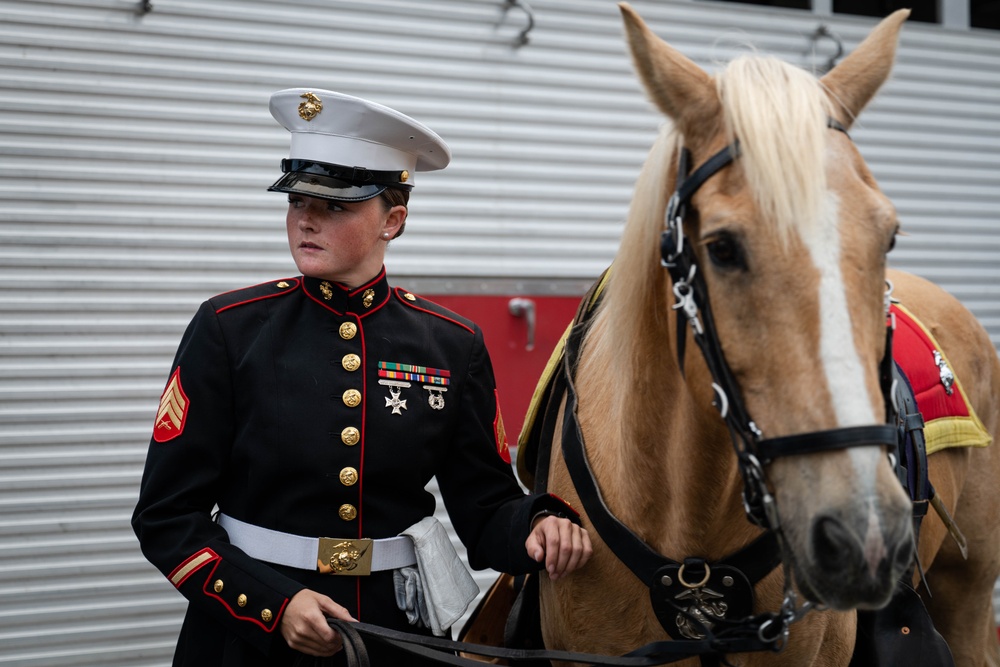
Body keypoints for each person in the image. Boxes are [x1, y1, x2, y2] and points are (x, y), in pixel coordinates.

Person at [131, 88, 592, 666]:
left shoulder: (451, 344)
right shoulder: (230, 328)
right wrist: (274, 606)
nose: (306, 220)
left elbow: (484, 507)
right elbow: (166, 516)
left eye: (336, 206)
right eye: (298, 201)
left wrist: (541, 521)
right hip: (249, 638)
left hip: (396, 635)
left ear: (393, 220)